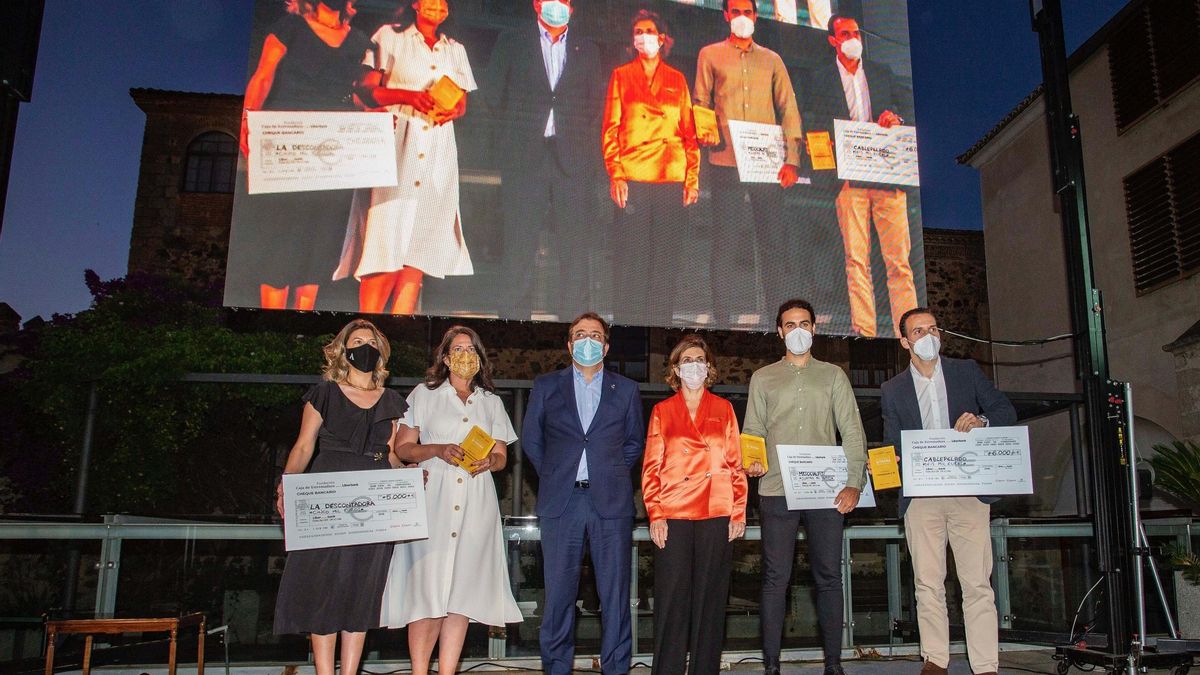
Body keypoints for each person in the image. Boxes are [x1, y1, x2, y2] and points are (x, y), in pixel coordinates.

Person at [880, 307, 1016, 675]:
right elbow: (892, 443)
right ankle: (935, 660)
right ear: (905, 341)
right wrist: (883, 463)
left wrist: (981, 420)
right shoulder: (891, 390)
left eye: (933, 329)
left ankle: (986, 665)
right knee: (927, 583)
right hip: (921, 498)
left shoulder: (965, 371)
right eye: (918, 331)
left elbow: (1005, 411)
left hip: (969, 493)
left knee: (977, 583)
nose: (928, 336)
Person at [381, 325, 521, 675]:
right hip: (434, 497)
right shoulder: (424, 395)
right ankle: (418, 670)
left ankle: (447, 671)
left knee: (461, 594)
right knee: (427, 591)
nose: (464, 354)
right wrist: (438, 450)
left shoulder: (490, 402)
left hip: (477, 498)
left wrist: (491, 461)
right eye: (457, 348)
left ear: (479, 357)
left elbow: (502, 455)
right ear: (444, 357)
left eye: (470, 348)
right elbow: (403, 447)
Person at [273, 318, 406, 675]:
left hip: (374, 500)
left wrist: (407, 482)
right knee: (323, 585)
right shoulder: (324, 393)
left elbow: (392, 454)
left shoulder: (393, 400)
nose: (365, 346)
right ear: (342, 351)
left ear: (381, 352)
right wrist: (287, 483)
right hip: (327, 492)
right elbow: (303, 446)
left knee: (363, 588)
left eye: (372, 341)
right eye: (357, 340)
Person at [743, 299, 867, 675]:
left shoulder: (833, 376)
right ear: (779, 331)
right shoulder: (763, 378)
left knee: (829, 576)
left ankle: (833, 663)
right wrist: (751, 458)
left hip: (826, 491)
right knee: (774, 577)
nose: (797, 330)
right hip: (776, 489)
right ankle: (771, 665)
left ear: (814, 328)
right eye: (789, 324)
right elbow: (753, 431)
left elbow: (852, 432)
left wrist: (854, 483)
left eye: (804, 323)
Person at [522, 312, 646, 675]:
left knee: (615, 596)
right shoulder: (546, 386)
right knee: (559, 596)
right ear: (569, 343)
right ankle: (557, 668)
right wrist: (557, 473)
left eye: (595, 335)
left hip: (611, 503)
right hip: (562, 504)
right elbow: (532, 440)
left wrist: (609, 471)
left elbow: (634, 442)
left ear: (606, 346)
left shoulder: (625, 389)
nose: (588, 340)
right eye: (580, 334)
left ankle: (616, 668)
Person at [334, 0, 476, 315]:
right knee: (385, 239)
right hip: (398, 140)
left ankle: (400, 331)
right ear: (415, 3)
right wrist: (410, 96)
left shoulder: (455, 48)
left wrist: (450, 109)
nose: (438, 6)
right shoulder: (388, 35)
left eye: (444, 3)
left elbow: (462, 102)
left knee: (419, 250)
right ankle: (367, 327)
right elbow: (367, 89)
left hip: (438, 146)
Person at [231, 0, 372, 310]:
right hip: (287, 146)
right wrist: (246, 119)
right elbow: (263, 76)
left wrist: (376, 121)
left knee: (320, 241)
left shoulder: (360, 40)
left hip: (333, 153)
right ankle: (271, 325)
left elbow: (360, 92)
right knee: (280, 239)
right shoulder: (289, 28)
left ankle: (301, 326)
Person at [482, 0, 605, 320]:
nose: (558, 5)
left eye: (564, 0)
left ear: (572, 7)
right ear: (537, 4)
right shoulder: (512, 40)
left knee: (574, 250)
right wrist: (510, 141)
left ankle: (575, 325)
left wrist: (583, 148)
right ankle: (513, 320)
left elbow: (596, 104)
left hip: (572, 162)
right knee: (519, 246)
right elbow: (494, 95)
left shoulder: (587, 49)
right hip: (524, 158)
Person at [694, 0, 804, 327]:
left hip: (767, 166)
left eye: (748, 12)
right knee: (724, 245)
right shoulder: (709, 54)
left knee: (773, 244)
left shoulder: (773, 60)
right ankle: (723, 321)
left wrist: (793, 160)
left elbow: (789, 109)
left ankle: (779, 321)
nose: (742, 18)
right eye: (736, 12)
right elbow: (700, 103)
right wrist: (707, 134)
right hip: (725, 160)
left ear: (756, 17)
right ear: (726, 15)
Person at [641, 335, 747, 675]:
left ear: (709, 367)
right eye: (687, 360)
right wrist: (655, 514)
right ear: (675, 368)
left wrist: (739, 511)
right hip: (673, 513)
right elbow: (650, 468)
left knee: (710, 600)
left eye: (699, 359)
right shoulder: (662, 411)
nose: (693, 365)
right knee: (672, 599)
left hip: (716, 510)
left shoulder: (724, 408)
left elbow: (736, 464)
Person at [807, 15, 917, 337]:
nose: (854, 38)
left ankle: (909, 333)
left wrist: (894, 117)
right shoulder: (821, 78)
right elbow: (813, 124)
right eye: (845, 34)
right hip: (850, 181)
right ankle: (866, 334)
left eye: (856, 32)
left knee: (899, 263)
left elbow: (909, 110)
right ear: (833, 41)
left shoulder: (883, 74)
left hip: (888, 178)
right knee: (857, 262)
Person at [602, 10, 700, 325]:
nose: (644, 36)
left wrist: (692, 179)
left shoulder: (677, 78)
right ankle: (628, 329)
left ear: (661, 39)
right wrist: (616, 173)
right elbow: (610, 129)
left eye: (649, 31)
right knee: (631, 262)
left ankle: (661, 328)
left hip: (671, 178)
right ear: (633, 40)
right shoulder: (620, 75)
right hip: (633, 178)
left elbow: (689, 132)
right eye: (638, 31)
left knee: (666, 262)